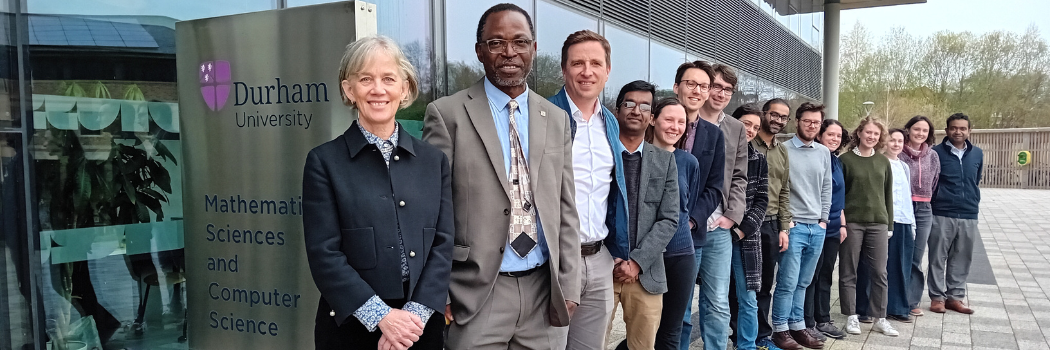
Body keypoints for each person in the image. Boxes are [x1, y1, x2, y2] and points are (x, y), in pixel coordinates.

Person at [422, 4, 581, 348]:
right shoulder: (447, 115)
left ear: (534, 49)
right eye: (496, 43)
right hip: (476, 295)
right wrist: (440, 289)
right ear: (480, 51)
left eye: (520, 42)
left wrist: (570, 284)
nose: (510, 52)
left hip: (543, 291)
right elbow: (431, 209)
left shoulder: (555, 118)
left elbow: (565, 207)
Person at [303, 35, 452, 350]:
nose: (378, 89)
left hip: (419, 325)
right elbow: (324, 254)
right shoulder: (324, 162)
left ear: (405, 88)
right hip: (351, 324)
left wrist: (412, 317)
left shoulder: (433, 161)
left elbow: (443, 243)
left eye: (389, 79)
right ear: (349, 90)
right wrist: (382, 317)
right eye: (365, 79)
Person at [547, 29, 626, 350]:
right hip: (554, 261)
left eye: (596, 63)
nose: (587, 71)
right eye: (577, 63)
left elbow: (614, 190)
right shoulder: (544, 115)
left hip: (599, 257)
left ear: (608, 71)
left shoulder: (611, 121)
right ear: (564, 69)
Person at [605, 81, 680, 350]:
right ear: (617, 110)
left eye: (645, 106)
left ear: (651, 118)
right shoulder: (600, 154)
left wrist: (637, 261)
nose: (636, 110)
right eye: (629, 103)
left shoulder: (665, 160)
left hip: (645, 273)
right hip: (601, 268)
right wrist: (608, 257)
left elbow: (669, 218)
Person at [695, 63, 749, 350]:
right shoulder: (684, 118)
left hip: (718, 227)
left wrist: (732, 216)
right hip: (686, 227)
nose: (721, 93)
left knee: (717, 300)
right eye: (715, 86)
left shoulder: (736, 128)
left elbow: (740, 175)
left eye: (727, 89)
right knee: (677, 303)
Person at [673, 61, 726, 350]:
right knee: (664, 308)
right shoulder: (656, 124)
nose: (697, 91)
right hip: (652, 235)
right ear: (676, 87)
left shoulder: (714, 135)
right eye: (690, 84)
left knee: (698, 306)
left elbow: (715, 187)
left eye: (703, 86)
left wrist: (690, 221)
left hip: (693, 234)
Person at [771, 102, 831, 350]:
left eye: (816, 122)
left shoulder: (823, 152)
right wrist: (787, 223)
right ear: (797, 121)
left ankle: (797, 326)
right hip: (794, 227)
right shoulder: (783, 149)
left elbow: (827, 186)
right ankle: (780, 329)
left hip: (816, 227)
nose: (812, 126)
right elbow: (780, 188)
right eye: (807, 121)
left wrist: (824, 219)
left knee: (804, 282)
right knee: (787, 281)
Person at [646, 97, 700, 350]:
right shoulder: (637, 156)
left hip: (680, 254)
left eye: (681, 122)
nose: (675, 127)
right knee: (644, 327)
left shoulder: (689, 162)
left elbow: (687, 205)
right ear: (653, 119)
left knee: (671, 330)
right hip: (644, 256)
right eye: (669, 119)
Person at [838, 116, 897, 337]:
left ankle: (880, 317)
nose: (872, 137)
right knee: (848, 270)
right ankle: (851, 316)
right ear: (859, 133)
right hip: (852, 223)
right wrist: (841, 222)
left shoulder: (883, 162)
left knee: (880, 272)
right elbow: (839, 195)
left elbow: (887, 194)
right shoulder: (845, 161)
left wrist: (889, 223)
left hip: (878, 223)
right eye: (868, 132)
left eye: (876, 134)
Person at [741, 98, 792, 350]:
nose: (778, 120)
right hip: (749, 224)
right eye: (774, 115)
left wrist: (784, 227)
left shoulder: (782, 150)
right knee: (744, 285)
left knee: (765, 285)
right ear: (765, 114)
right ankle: (742, 336)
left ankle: (761, 336)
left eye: (784, 117)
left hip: (771, 224)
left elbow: (784, 190)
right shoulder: (748, 143)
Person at [927, 113, 983, 315]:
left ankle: (955, 297)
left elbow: (975, 180)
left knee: (962, 257)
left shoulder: (977, 153)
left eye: (962, 128)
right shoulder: (935, 153)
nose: (958, 131)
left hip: (968, 213)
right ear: (947, 129)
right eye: (953, 128)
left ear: (969, 130)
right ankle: (936, 298)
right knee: (937, 257)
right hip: (941, 212)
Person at [726, 103, 769, 350]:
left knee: (748, 297)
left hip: (745, 238)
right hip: (715, 233)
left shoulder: (759, 159)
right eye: (746, 124)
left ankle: (747, 345)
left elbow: (762, 201)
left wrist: (741, 230)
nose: (750, 130)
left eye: (755, 127)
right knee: (715, 298)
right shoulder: (718, 149)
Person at [802, 119, 848, 341]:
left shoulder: (836, 161)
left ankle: (823, 319)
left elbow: (838, 196)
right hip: (814, 225)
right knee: (811, 276)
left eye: (838, 136)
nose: (835, 139)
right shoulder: (816, 158)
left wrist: (842, 222)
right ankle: (807, 322)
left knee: (826, 275)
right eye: (831, 134)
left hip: (833, 228)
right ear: (820, 135)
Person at [899, 115, 940, 317]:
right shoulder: (899, 152)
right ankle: (894, 298)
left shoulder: (932, 156)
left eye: (924, 131)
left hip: (924, 209)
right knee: (898, 253)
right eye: (916, 129)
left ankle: (911, 300)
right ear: (908, 130)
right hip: (902, 207)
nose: (920, 133)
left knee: (916, 256)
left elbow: (935, 182)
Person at [882, 128, 917, 322]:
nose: (896, 144)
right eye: (892, 140)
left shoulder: (904, 166)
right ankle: (882, 306)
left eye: (900, 141)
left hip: (904, 220)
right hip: (886, 221)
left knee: (902, 266)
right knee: (884, 266)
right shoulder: (880, 163)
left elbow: (906, 197)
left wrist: (912, 224)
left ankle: (899, 306)